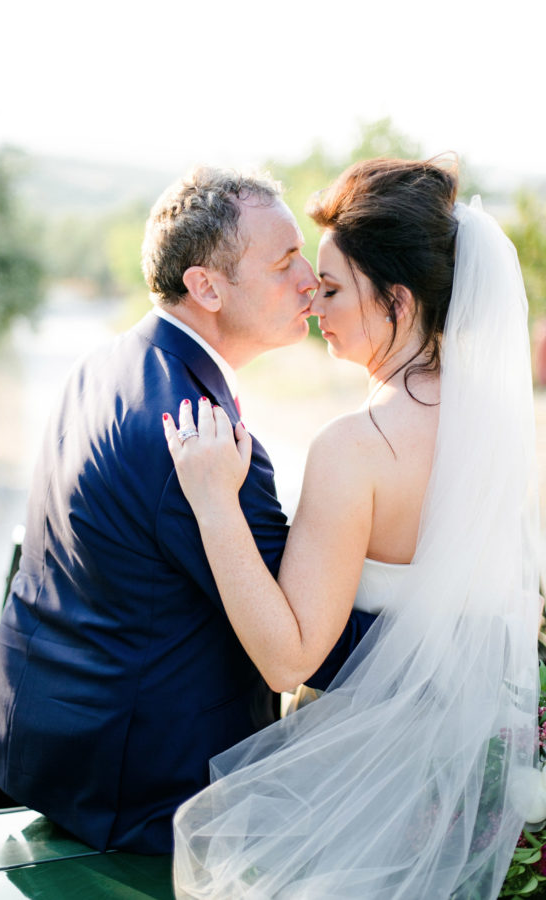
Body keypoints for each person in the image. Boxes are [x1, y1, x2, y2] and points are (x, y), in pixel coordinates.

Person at [0, 167, 376, 855]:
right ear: (207, 287)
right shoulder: (194, 433)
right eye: (284, 262)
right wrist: (452, 656)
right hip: (137, 782)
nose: (310, 280)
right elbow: (304, 637)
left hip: (46, 744)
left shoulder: (108, 363)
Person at [164, 159, 542, 897]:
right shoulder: (497, 427)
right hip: (475, 764)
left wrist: (213, 503)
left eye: (333, 289)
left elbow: (288, 661)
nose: (313, 300)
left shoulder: (357, 446)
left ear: (397, 300)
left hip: (369, 778)